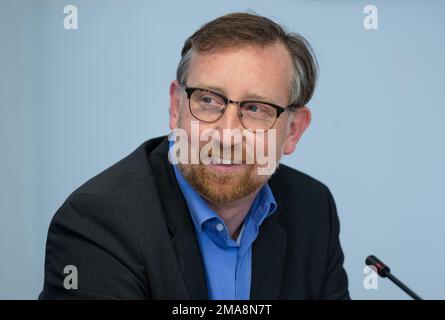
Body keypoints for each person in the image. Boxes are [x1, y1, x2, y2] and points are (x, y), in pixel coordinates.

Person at [39, 12, 349, 300]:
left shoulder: (313, 209)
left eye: (255, 108)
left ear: (293, 130)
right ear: (176, 108)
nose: (227, 136)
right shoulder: (98, 223)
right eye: (209, 100)